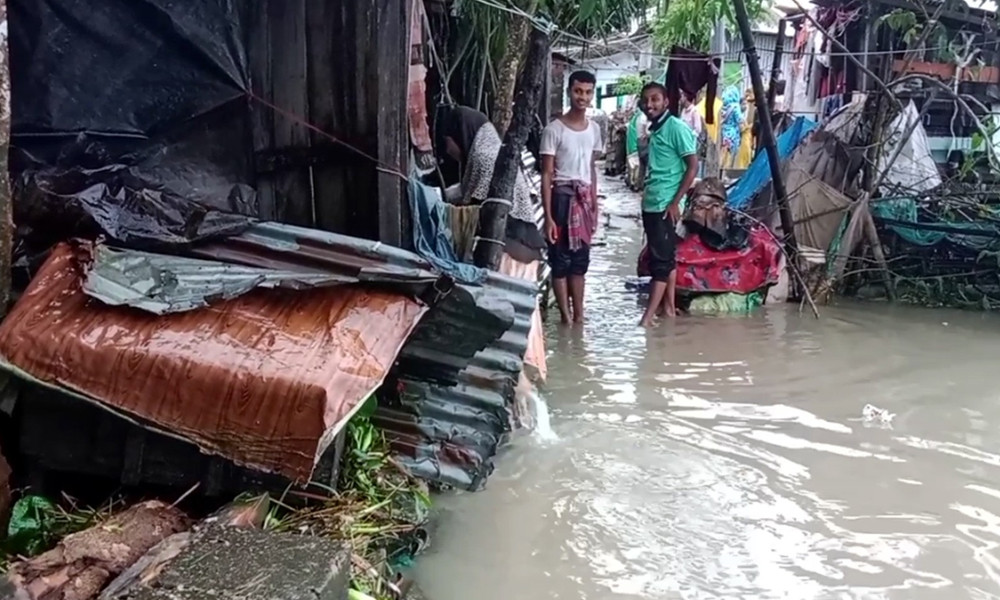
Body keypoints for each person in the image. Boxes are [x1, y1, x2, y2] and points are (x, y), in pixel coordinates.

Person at [436, 105, 545, 263]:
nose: (447, 150)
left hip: (511, 246)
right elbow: (466, 190)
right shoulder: (489, 151)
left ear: (461, 134)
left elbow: (478, 209)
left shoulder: (484, 159)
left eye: (448, 142)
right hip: (518, 241)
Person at [540, 70, 604, 324]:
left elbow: (591, 169)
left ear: (592, 96)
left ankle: (579, 315)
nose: (583, 97)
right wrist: (548, 217)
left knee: (580, 261)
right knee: (560, 260)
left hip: (584, 199)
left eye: (588, 92)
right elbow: (546, 175)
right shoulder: (553, 130)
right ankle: (566, 318)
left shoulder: (595, 130)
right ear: (569, 92)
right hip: (561, 197)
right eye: (578, 91)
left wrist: (595, 203)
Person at [637, 82, 699, 327]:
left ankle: (646, 319)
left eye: (655, 99)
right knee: (666, 258)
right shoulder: (656, 130)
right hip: (652, 203)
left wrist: (675, 202)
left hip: (665, 205)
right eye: (646, 100)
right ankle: (669, 309)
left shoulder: (676, 128)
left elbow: (692, 166)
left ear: (666, 102)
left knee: (660, 264)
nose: (649, 105)